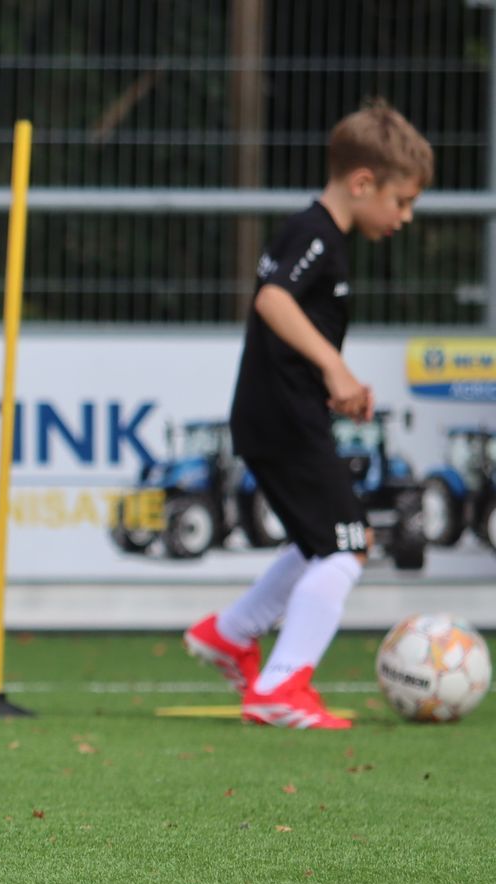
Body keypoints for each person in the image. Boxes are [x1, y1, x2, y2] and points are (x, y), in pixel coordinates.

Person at [184, 100, 432, 730]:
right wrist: (335, 367)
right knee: (347, 547)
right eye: (402, 201)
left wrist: (333, 382)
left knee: (321, 540)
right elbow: (272, 300)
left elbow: (288, 326)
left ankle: (230, 634)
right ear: (363, 182)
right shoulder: (314, 234)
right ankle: (280, 686)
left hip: (282, 415)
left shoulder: (323, 238)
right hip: (282, 419)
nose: (405, 217)